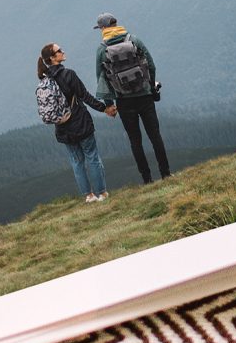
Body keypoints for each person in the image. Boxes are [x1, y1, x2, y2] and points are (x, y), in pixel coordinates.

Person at [93, 13, 171, 184]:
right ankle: (166, 174)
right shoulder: (133, 40)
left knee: (135, 141)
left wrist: (109, 104)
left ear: (104, 28)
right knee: (155, 136)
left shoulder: (102, 48)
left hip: (124, 100)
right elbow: (151, 65)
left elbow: (102, 78)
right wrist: (151, 88)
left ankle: (147, 179)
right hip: (145, 96)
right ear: (116, 23)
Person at [38, 42, 116, 202]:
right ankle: (102, 193)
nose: (63, 51)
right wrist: (105, 109)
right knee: (92, 157)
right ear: (53, 58)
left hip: (62, 127)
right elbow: (84, 95)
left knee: (76, 162)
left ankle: (88, 196)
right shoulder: (68, 74)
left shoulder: (45, 81)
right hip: (80, 122)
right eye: (59, 51)